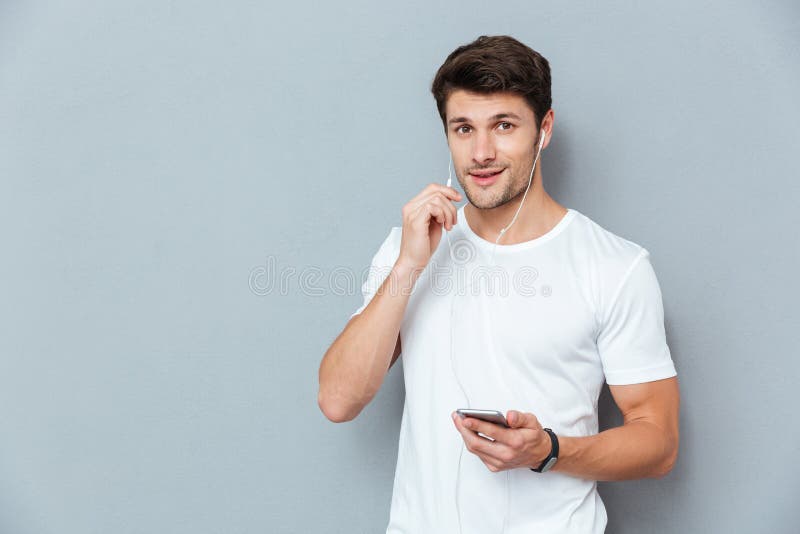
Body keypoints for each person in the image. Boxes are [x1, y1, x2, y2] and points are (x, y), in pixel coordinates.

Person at [318, 34, 680, 534]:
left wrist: (549, 450)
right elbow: (339, 400)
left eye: (503, 126)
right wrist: (407, 267)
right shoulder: (410, 249)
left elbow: (658, 441)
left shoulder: (615, 266)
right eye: (463, 128)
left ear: (544, 129)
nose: (482, 152)